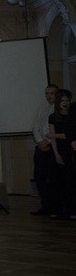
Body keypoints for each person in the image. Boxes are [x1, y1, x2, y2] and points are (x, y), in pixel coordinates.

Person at [31, 84, 58, 215]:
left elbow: (59, 129)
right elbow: (35, 127)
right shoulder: (42, 107)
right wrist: (40, 141)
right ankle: (45, 205)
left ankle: (55, 207)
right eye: (47, 93)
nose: (49, 96)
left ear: (57, 95)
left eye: (52, 93)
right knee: (39, 177)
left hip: (54, 147)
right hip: (40, 146)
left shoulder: (59, 109)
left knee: (53, 178)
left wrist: (48, 142)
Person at [47, 89, 75, 219]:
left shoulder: (73, 116)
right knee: (56, 181)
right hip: (59, 150)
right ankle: (57, 210)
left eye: (67, 100)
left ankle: (72, 210)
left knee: (71, 181)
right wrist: (56, 154)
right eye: (62, 100)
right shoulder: (53, 117)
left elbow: (68, 135)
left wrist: (53, 135)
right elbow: (52, 138)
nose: (65, 103)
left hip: (71, 149)